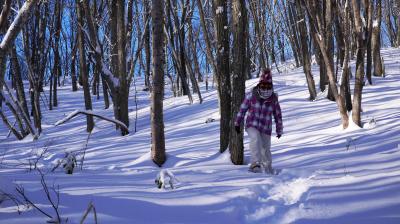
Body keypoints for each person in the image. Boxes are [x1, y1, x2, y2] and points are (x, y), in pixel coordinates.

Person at [234, 68, 283, 173]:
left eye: (268, 86)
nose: (265, 89)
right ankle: (255, 164)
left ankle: (267, 168)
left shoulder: (273, 99)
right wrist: (237, 123)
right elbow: (242, 109)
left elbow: (278, 115)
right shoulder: (252, 96)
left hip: (266, 127)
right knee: (255, 138)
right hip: (252, 124)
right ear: (259, 85)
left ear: (271, 86)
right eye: (263, 86)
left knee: (265, 148)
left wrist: (279, 130)